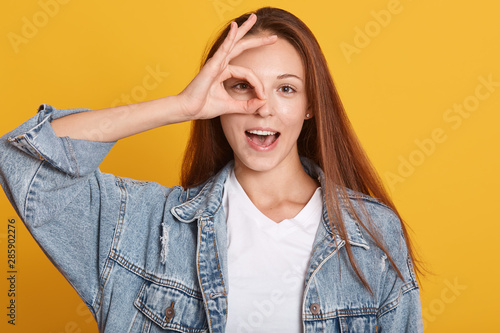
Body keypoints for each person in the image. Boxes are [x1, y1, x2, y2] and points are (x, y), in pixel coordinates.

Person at [0, 7, 423, 333]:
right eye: (242, 86)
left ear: (311, 106)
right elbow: (24, 165)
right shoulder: (147, 229)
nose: (262, 105)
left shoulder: (373, 236)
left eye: (286, 88)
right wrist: (180, 107)